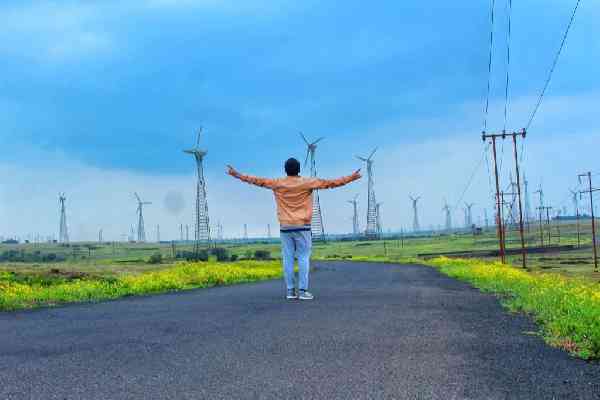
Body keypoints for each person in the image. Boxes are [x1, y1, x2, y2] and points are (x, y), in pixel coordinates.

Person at [227, 158, 361, 300]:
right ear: (299, 170)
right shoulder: (307, 182)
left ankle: (290, 291)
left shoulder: (277, 183)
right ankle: (303, 291)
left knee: (288, 258)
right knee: (303, 257)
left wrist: (238, 175)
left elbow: (256, 180)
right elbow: (330, 183)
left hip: (285, 227)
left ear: (285, 170)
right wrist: (351, 178)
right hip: (303, 226)